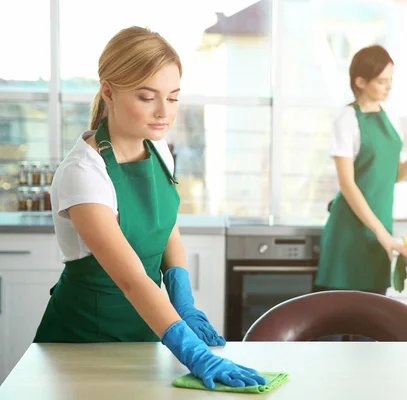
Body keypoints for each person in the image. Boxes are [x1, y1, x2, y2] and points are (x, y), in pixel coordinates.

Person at [33, 26, 266, 390]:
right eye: (147, 97)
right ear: (108, 91)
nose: (164, 112)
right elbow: (131, 279)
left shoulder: (159, 149)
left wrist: (183, 300)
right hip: (83, 340)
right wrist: (192, 350)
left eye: (173, 98)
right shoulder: (83, 173)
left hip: (149, 330)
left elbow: (166, 226)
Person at [314, 45, 407, 296]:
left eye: (391, 80)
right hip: (350, 230)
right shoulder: (346, 120)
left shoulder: (391, 117)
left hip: (380, 229)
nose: (389, 87)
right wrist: (383, 234)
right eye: (382, 81)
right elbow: (347, 184)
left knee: (371, 322)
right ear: (360, 81)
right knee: (337, 320)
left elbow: (394, 175)